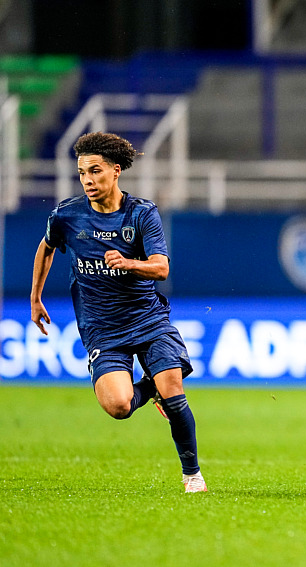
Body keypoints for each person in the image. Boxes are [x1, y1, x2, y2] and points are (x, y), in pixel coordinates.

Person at [30, 132, 207, 493]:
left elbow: (161, 268)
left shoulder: (142, 214)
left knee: (173, 389)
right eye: (82, 173)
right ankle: (148, 389)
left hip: (147, 319)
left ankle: (192, 475)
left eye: (95, 171)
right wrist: (35, 298)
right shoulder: (67, 216)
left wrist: (128, 263)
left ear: (115, 171)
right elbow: (46, 248)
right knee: (119, 406)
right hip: (102, 329)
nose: (88, 180)